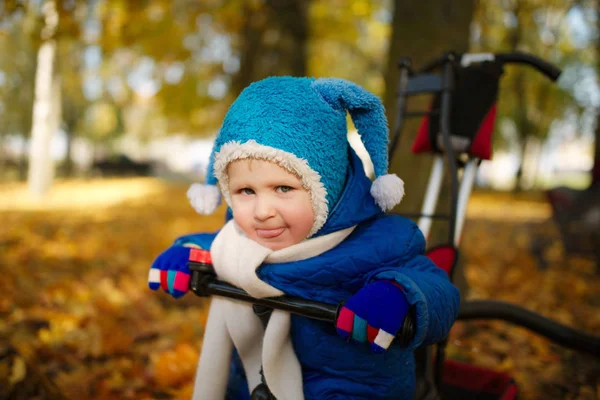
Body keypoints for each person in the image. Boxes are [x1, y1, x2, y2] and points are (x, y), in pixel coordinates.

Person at [148, 76, 460, 400]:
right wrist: (187, 251)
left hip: (354, 389)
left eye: (284, 188)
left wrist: (399, 293)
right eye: (245, 191)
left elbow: (441, 293)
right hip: (251, 386)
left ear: (328, 187)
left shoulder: (382, 242)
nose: (262, 211)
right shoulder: (238, 241)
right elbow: (216, 246)